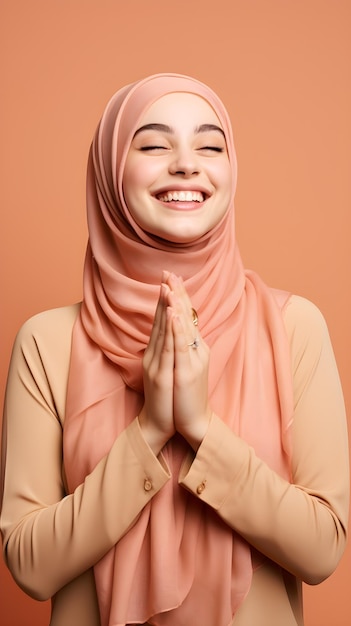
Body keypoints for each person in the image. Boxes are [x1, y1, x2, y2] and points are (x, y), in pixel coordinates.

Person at [0, 73, 349, 626]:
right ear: (111, 172)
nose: (187, 164)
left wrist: (202, 427)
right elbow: (30, 566)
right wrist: (151, 430)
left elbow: (322, 550)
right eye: (155, 144)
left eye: (210, 146)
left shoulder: (293, 327)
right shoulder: (47, 342)